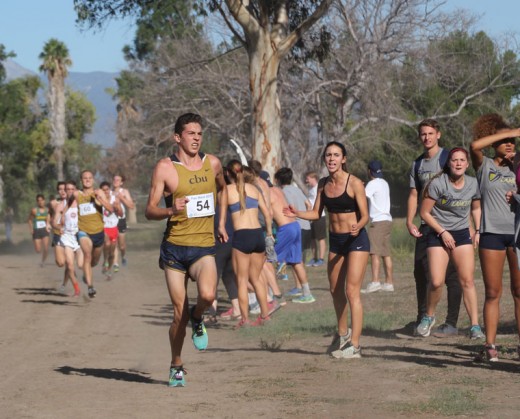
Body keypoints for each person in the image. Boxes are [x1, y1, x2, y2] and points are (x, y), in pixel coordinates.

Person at [144, 112, 228, 388]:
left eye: (199, 134)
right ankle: (176, 364)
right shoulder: (165, 168)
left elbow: (223, 191)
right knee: (177, 312)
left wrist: (222, 222)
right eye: (190, 134)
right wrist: (171, 209)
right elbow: (149, 210)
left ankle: (198, 315)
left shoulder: (212, 163)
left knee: (207, 295)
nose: (196, 138)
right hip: (175, 250)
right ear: (177, 137)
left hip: (204, 246)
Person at [284, 141, 369, 358]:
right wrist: (296, 213)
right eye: (328, 155)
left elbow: (365, 215)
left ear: (344, 159)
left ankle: (356, 346)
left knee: (352, 291)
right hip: (337, 241)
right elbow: (315, 213)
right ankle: (343, 335)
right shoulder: (323, 184)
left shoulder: (355, 183)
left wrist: (358, 226)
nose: (331, 159)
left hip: (357, 240)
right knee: (334, 290)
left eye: (336, 155)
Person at [417, 147, 484, 339]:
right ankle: (429, 316)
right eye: (455, 160)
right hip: (438, 234)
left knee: (468, 281)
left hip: (462, 234)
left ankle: (474, 326)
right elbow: (424, 213)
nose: (458, 163)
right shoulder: (438, 183)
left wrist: (477, 230)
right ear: (448, 163)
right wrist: (442, 231)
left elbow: (476, 208)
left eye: (462, 160)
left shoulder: (472, 183)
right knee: (437, 281)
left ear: (467, 164)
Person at [470, 114, 520, 361]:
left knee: (519, 290)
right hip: (491, 234)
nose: (510, 144)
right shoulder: (485, 165)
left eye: (513, 141)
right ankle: (490, 345)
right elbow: (474, 146)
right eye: (505, 140)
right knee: (493, 292)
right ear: (495, 142)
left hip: (517, 235)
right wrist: (512, 131)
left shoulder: (518, 166)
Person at [406, 119, 462, 337]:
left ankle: (451, 322)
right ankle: (422, 319)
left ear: (438, 134)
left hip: (450, 224)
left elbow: (461, 184)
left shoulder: (448, 158)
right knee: (420, 272)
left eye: (430, 133)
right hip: (425, 225)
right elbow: (413, 194)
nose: (426, 137)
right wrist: (409, 221)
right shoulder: (417, 164)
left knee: (451, 275)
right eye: (423, 134)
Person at [226, 163, 274, 327]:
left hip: (242, 235)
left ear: (228, 173)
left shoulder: (227, 190)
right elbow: (267, 214)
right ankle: (265, 316)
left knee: (241, 280)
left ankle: (245, 320)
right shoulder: (255, 189)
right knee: (257, 278)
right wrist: (269, 235)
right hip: (258, 235)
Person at [74, 170, 114, 298]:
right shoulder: (77, 194)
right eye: (85, 178)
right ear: (81, 180)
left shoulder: (99, 192)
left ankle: (87, 273)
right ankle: (90, 287)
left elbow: (110, 209)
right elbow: (68, 205)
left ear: (93, 180)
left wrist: (100, 199)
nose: (87, 180)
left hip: (98, 232)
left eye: (90, 178)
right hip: (83, 231)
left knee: (94, 261)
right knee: (87, 255)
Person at [274, 168, 313, 299]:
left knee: (293, 260)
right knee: (297, 259)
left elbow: (288, 208)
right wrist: (307, 218)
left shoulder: (282, 192)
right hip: (305, 226)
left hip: (293, 225)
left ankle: (296, 287)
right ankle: (300, 288)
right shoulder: (297, 189)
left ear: (278, 179)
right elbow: (308, 204)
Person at [362, 160, 394, 293]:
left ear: (369, 171)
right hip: (387, 220)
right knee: (385, 253)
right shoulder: (384, 183)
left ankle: (375, 282)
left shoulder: (372, 183)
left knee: (374, 252)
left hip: (378, 221)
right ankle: (389, 283)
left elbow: (361, 196)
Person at [54, 180, 83, 297]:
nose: (70, 191)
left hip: (80, 236)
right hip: (67, 237)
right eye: (68, 189)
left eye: (72, 189)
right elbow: (55, 222)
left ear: (75, 190)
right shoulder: (61, 206)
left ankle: (87, 277)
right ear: (65, 191)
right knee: (69, 264)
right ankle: (76, 288)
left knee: (81, 265)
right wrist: (58, 227)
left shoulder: (81, 202)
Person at [100, 181, 123, 279]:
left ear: (110, 190)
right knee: (107, 244)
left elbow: (121, 214)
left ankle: (109, 269)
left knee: (112, 253)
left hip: (113, 228)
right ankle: (105, 261)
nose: (105, 192)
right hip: (103, 227)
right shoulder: (99, 200)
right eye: (103, 190)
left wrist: (117, 207)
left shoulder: (115, 199)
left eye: (107, 189)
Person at [112, 174, 135, 271]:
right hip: (111, 221)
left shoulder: (124, 192)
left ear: (121, 182)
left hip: (121, 220)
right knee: (114, 243)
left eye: (118, 180)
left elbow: (131, 206)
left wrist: (122, 198)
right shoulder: (109, 193)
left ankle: (123, 256)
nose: (115, 181)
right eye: (114, 179)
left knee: (121, 245)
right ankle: (115, 264)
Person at [305, 171, 327, 267]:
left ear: (313, 178)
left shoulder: (319, 188)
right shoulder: (310, 190)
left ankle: (321, 259)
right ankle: (314, 258)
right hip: (311, 217)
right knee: (312, 239)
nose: (306, 181)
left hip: (320, 216)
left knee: (321, 238)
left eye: (308, 178)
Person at [28, 194, 50, 267]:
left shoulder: (47, 210)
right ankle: (40, 254)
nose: (40, 202)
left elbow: (48, 220)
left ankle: (43, 262)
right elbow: (29, 220)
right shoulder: (34, 210)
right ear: (37, 202)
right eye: (38, 201)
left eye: (41, 200)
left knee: (46, 248)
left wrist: (48, 225)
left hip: (44, 230)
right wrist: (31, 229)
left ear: (44, 201)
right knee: (38, 250)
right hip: (36, 230)